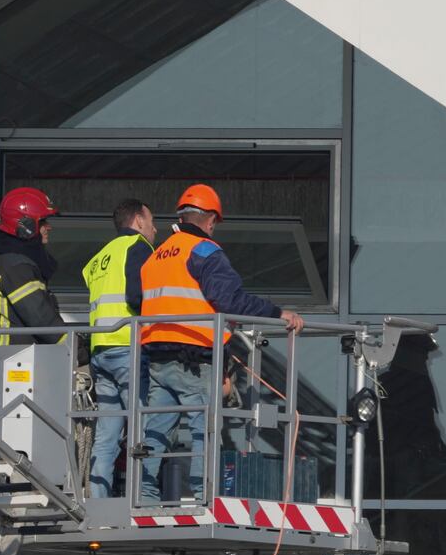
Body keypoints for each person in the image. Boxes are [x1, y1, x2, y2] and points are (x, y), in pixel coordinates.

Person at [139, 183, 304, 501]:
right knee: (205, 428)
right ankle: (204, 494)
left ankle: (143, 493)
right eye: (216, 221)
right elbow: (229, 299)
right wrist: (277, 312)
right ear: (210, 218)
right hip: (194, 355)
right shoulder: (204, 251)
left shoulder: (157, 255)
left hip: (158, 355)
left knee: (156, 430)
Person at [80, 197, 156, 498]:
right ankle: (142, 498)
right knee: (142, 426)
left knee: (107, 433)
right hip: (128, 347)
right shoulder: (138, 248)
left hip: (101, 350)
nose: (154, 230)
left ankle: (98, 499)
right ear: (138, 221)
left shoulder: (99, 257)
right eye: (151, 223)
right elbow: (139, 297)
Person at [0, 187, 67, 347]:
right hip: (17, 359)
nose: (49, 227)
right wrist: (76, 348)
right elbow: (40, 317)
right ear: (27, 226)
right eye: (43, 222)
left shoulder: (5, 260)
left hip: (12, 358)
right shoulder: (17, 267)